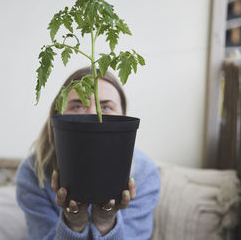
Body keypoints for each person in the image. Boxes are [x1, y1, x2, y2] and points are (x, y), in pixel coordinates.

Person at [16, 67, 160, 239]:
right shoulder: (34, 172)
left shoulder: (144, 173)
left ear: (123, 118)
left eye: (106, 107)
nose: (92, 115)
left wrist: (106, 223)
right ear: (58, 117)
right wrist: (73, 224)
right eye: (77, 106)